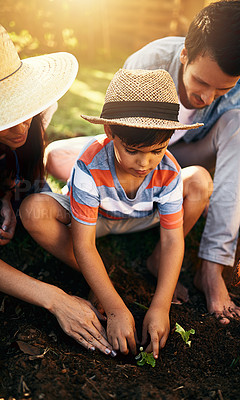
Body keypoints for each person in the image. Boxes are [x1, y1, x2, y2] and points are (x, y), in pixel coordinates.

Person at [45, 0, 240, 324]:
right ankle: (128, 205)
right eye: (202, 82)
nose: (207, 97)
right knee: (56, 155)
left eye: (222, 89)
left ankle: (211, 267)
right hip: (129, 152)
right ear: (185, 55)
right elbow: (116, 130)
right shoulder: (149, 61)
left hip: (185, 156)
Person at [20, 68, 212, 358]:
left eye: (157, 150)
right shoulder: (90, 164)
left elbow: (173, 240)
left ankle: (153, 263)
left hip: (142, 217)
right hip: (93, 221)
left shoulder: (168, 170)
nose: (145, 163)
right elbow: (83, 243)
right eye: (133, 150)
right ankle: (99, 274)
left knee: (199, 179)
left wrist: (160, 306)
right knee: (33, 211)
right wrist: (115, 307)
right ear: (110, 132)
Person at [0, 24, 113, 356]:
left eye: (24, 110)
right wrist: (57, 299)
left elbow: (25, 167)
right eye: (7, 116)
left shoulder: (36, 116)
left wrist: (6, 196)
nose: (22, 126)